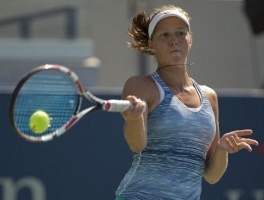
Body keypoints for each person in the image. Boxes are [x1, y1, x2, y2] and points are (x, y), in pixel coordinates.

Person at [115, 5, 259, 200]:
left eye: (180, 33)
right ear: (152, 44)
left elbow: (211, 175)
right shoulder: (141, 86)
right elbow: (137, 145)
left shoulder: (209, 96)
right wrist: (133, 119)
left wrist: (222, 149)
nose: (174, 40)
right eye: (164, 35)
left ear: (190, 40)